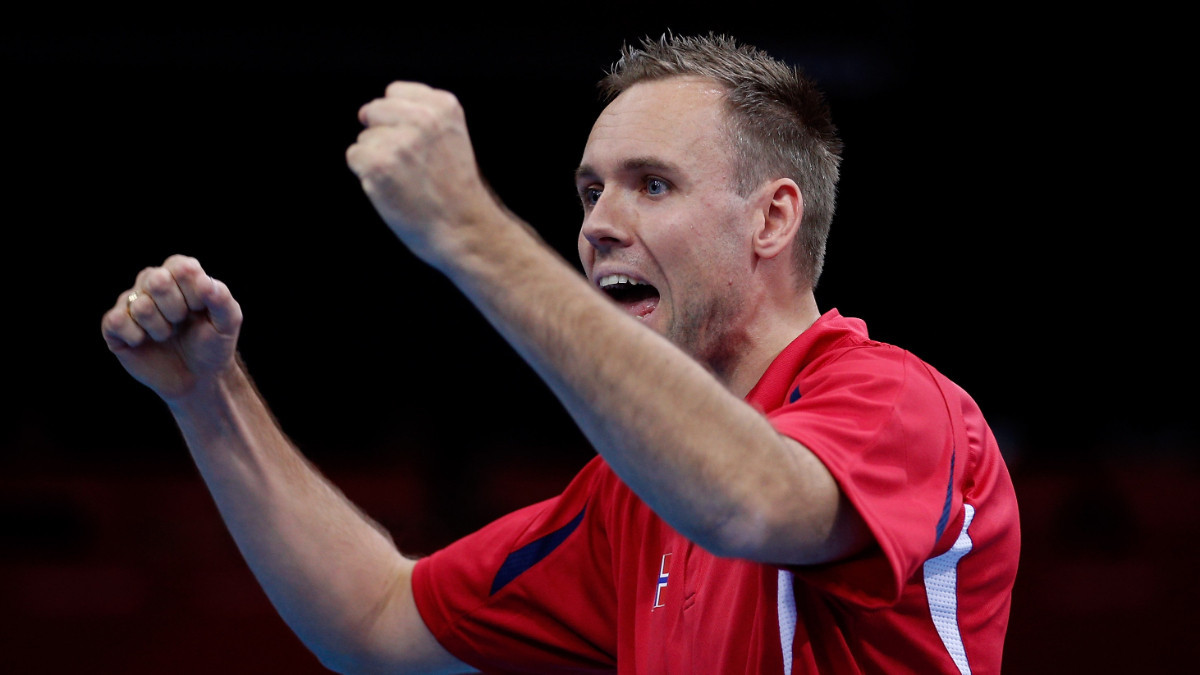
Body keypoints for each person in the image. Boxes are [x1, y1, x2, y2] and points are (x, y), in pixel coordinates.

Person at [101, 33, 1019, 674]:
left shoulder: (900, 404)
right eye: (588, 192)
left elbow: (751, 501)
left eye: (651, 185)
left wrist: (469, 229)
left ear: (773, 217)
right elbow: (372, 622)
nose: (599, 228)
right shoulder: (630, 503)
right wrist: (207, 399)